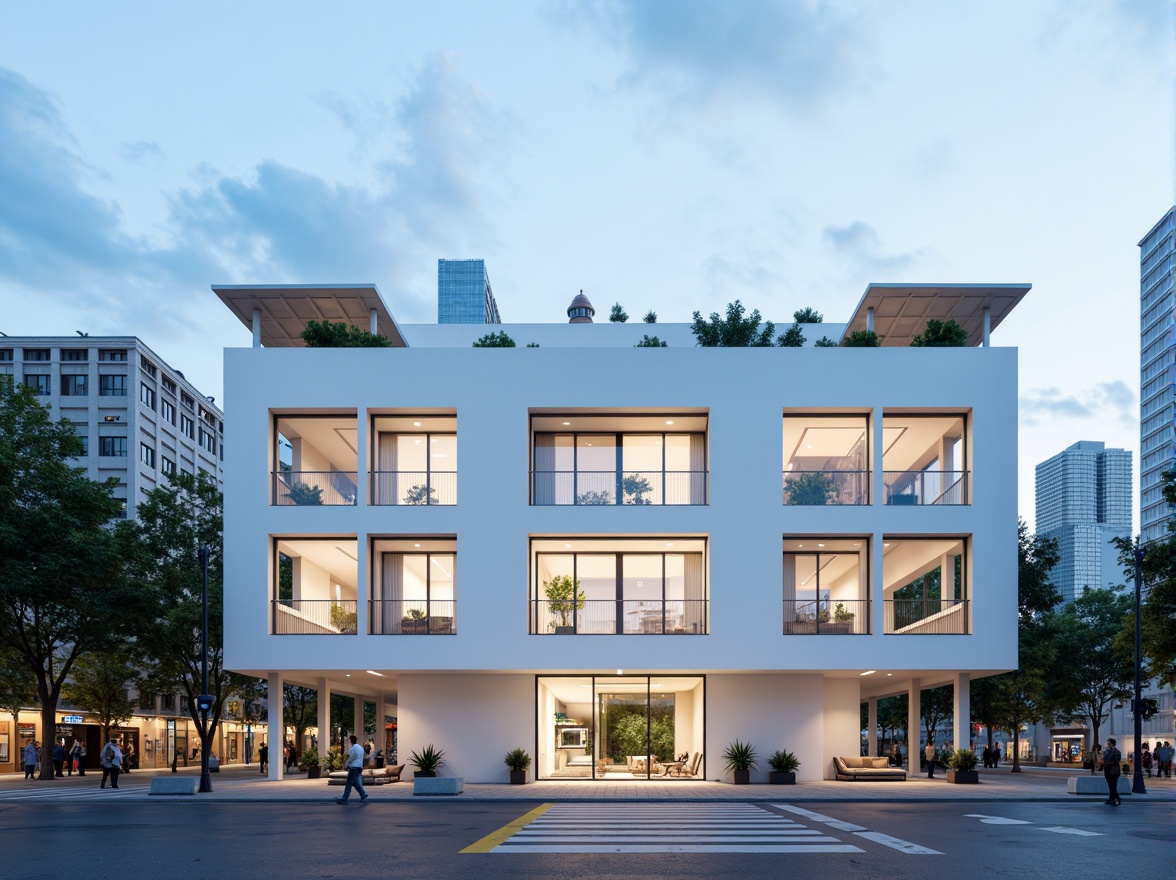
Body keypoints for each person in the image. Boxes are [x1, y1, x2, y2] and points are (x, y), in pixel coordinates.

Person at [335, 734, 369, 805]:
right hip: (359, 767)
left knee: (349, 782)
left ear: (351, 741)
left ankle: (345, 798)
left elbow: (351, 758)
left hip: (354, 767)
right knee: (355, 783)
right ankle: (362, 795)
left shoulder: (354, 748)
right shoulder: (360, 748)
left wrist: (345, 765)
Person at [1100, 737, 1122, 806]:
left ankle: (1116, 798)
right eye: (1108, 743)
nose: (1108, 744)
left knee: (1113, 786)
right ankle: (1112, 798)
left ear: (1112, 744)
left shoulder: (1116, 752)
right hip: (1108, 771)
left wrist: (1105, 763)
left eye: (1109, 743)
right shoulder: (1107, 751)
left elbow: (1116, 761)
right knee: (1111, 785)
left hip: (1113, 771)